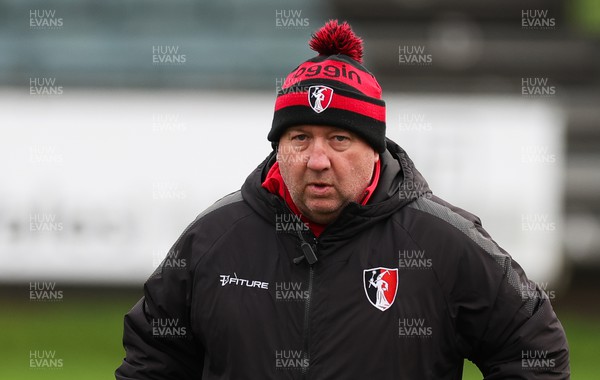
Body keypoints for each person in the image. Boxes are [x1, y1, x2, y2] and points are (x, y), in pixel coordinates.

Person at [116, 20, 569, 379]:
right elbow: (152, 359)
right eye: (299, 138)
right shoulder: (213, 239)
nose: (317, 160)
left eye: (338, 139)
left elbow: (534, 351)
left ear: (375, 149)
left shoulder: (442, 242)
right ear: (278, 147)